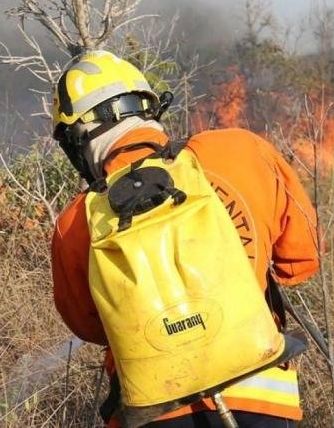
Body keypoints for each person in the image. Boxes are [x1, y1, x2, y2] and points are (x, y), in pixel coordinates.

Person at [48, 50, 320, 427]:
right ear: (147, 106)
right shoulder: (241, 151)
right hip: (262, 396)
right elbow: (301, 261)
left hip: (153, 411)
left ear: (78, 138)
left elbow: (91, 326)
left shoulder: (75, 223)